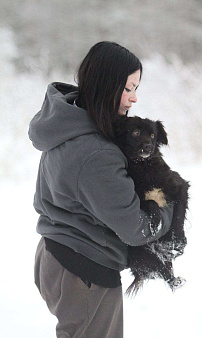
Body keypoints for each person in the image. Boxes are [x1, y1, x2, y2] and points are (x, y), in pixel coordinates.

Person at [29, 41, 174, 338]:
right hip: (84, 272)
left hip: (55, 255)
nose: (134, 99)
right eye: (129, 88)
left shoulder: (68, 122)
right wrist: (168, 204)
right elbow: (137, 229)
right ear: (107, 85)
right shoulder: (96, 152)